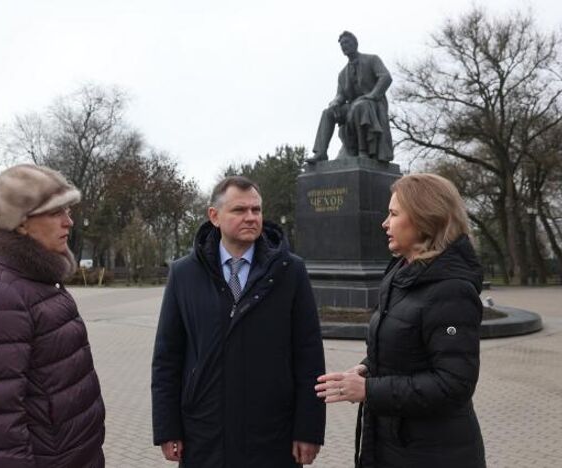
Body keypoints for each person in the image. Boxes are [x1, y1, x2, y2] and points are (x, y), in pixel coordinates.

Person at [151, 175, 326, 467]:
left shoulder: (290, 271)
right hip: (204, 431)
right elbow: (167, 358)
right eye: (239, 210)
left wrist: (308, 429)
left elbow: (308, 356)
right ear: (214, 216)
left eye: (256, 210)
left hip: (273, 432)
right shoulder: (184, 274)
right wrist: (168, 428)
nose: (250, 218)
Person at [315, 173, 486, 468]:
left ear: (424, 219)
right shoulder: (400, 274)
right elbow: (405, 348)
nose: (385, 223)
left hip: (434, 454)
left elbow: (454, 384)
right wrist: (369, 368)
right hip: (392, 443)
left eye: (393, 214)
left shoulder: (451, 289)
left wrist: (369, 390)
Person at [0, 164, 105, 468]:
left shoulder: (39, 280)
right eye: (55, 213)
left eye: (68, 211)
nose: (69, 222)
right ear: (21, 224)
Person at [307, 31, 393, 164]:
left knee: (360, 106)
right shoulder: (342, 73)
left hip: (373, 105)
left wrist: (372, 95)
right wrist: (335, 102)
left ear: (355, 44)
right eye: (342, 44)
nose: (344, 46)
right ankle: (321, 152)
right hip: (353, 106)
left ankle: (363, 151)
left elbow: (385, 77)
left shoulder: (372, 59)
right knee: (328, 113)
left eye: (347, 42)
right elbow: (341, 94)